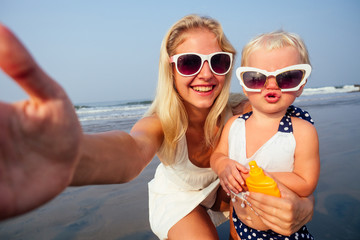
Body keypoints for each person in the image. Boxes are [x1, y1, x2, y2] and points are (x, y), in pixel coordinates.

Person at [0, 15, 315, 240]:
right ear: (171, 66)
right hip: (179, 196)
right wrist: (71, 157)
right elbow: (132, 151)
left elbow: (295, 150)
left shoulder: (245, 109)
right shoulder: (161, 121)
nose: (206, 75)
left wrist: (304, 205)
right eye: (191, 62)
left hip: (225, 194)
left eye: (217, 62)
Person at [210, 30, 320, 239]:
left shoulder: (301, 131)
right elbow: (217, 155)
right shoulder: (234, 125)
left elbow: (306, 182)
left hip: (283, 233)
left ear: (301, 85)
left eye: (287, 77)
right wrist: (223, 165)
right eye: (257, 78)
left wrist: (259, 177)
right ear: (244, 84)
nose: (272, 85)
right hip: (241, 229)